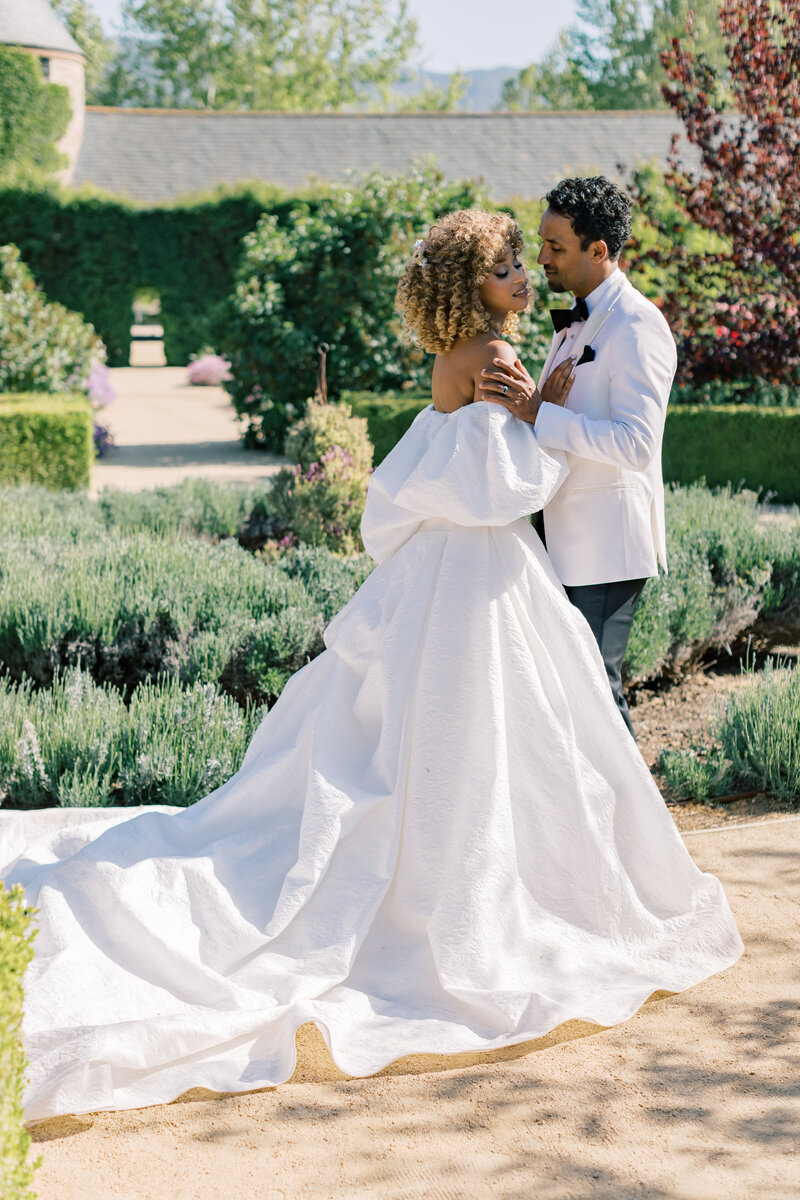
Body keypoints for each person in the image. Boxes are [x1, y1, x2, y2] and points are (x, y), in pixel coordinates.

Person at [1, 210, 742, 1124]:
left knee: (463, 729)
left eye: (526, 263)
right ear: (475, 287)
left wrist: (532, 407)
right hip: (483, 572)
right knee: (503, 731)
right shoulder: (490, 359)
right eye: (510, 267)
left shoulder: (463, 355)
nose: (524, 277)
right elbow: (512, 484)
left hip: (457, 572)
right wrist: (539, 413)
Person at [479, 177, 675, 737]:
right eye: (542, 243)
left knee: (596, 699)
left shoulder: (639, 325)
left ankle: (641, 825)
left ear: (598, 250)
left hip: (606, 547)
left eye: (555, 246)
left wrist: (541, 414)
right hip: (559, 542)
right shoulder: (572, 326)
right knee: (567, 699)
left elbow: (636, 444)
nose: (539, 257)